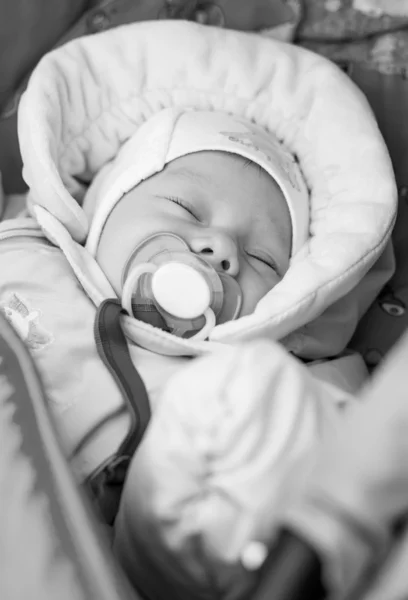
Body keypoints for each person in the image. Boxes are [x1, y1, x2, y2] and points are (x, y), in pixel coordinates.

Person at [2, 19, 397, 600]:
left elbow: (351, 429)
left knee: (248, 409)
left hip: (114, 555)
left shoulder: (251, 370)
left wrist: (258, 405)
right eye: (184, 206)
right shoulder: (21, 248)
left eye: (263, 256)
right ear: (105, 202)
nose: (222, 249)